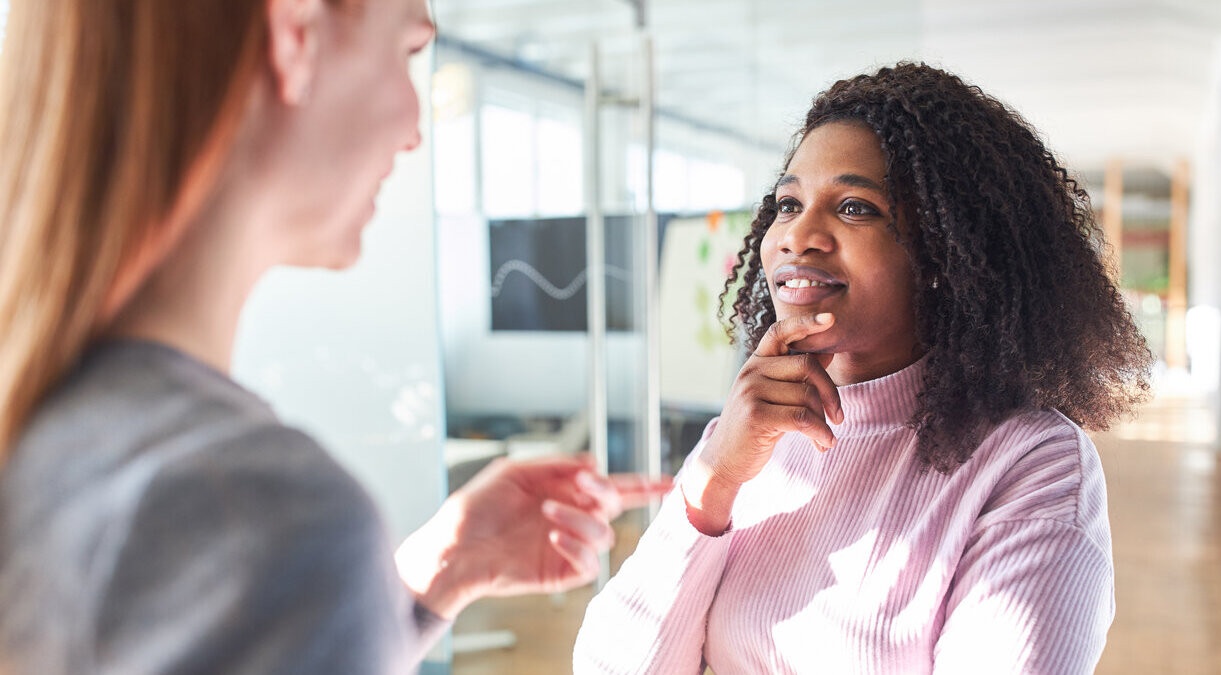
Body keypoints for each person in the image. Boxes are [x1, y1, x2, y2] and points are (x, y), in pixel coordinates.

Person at [0, 1, 669, 673]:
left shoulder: (61, 441)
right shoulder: (258, 516)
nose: (414, 131)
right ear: (297, 34)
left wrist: (427, 582)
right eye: (408, 52)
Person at [574, 62, 1152, 674]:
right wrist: (714, 480)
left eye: (854, 208)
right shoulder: (753, 433)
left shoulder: (1032, 463)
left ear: (945, 250)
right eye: (789, 203)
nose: (799, 235)